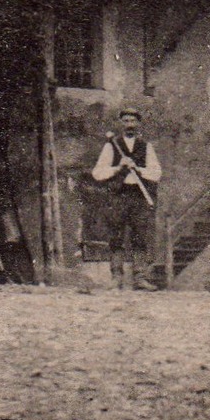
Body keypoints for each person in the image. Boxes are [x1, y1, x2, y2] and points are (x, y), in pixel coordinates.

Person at [90, 106, 163, 291]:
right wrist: (117, 167)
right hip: (118, 195)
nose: (129, 124)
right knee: (116, 236)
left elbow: (156, 173)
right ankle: (116, 277)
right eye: (126, 121)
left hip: (138, 196)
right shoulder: (111, 146)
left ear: (138, 123)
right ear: (121, 123)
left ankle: (140, 278)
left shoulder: (146, 147)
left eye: (132, 121)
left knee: (140, 236)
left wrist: (138, 169)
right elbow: (98, 173)